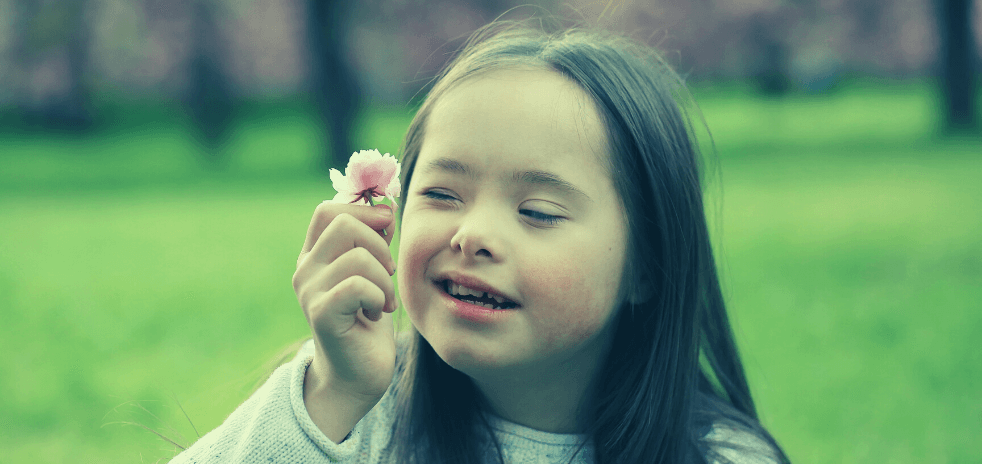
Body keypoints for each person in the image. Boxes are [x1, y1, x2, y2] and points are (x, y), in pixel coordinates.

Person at [170, 20, 790, 464]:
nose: (471, 235)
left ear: (647, 266)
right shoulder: (347, 417)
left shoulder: (720, 457)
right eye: (442, 194)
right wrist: (334, 395)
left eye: (538, 211)